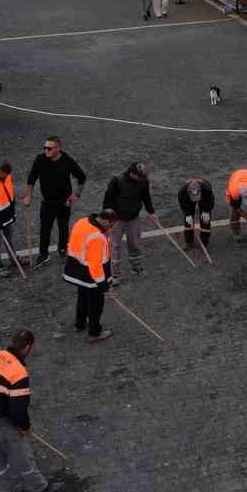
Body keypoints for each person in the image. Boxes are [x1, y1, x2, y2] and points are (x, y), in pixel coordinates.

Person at [0, 330, 65, 492]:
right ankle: (40, 487)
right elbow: (18, 410)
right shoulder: (18, 374)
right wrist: (25, 427)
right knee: (22, 457)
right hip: (1, 423)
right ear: (27, 348)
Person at [22, 136, 87, 267]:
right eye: (45, 148)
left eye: (49, 148)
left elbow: (82, 177)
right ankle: (43, 254)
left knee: (63, 227)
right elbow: (31, 178)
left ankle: (62, 250)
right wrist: (28, 196)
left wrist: (76, 195)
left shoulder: (67, 161)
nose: (46, 151)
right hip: (47, 202)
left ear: (58, 148)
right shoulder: (40, 160)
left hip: (64, 202)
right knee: (45, 228)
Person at [63, 210, 116, 343]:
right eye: (111, 225)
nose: (111, 229)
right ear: (106, 221)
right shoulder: (96, 237)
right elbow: (95, 266)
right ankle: (94, 332)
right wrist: (104, 286)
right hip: (90, 276)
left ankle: (79, 324)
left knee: (82, 298)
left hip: (77, 269)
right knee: (96, 304)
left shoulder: (82, 222)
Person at [100, 161, 154, 277]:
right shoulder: (117, 181)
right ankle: (115, 275)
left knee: (134, 244)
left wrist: (151, 212)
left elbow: (146, 197)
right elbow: (107, 200)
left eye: (142, 176)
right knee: (115, 246)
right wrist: (106, 220)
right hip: (117, 220)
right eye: (139, 176)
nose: (141, 178)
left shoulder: (143, 181)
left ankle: (136, 267)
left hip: (133, 218)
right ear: (132, 173)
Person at [177, 177, 215, 255]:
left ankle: (204, 243)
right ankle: (189, 242)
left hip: (204, 199)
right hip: (188, 201)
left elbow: (210, 201)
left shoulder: (207, 189)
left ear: (200, 190)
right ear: (188, 192)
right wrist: (187, 214)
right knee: (188, 221)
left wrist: (206, 211)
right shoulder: (182, 192)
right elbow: (183, 204)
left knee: (205, 221)